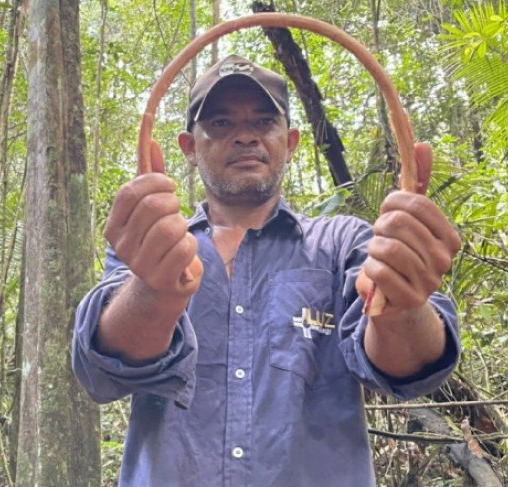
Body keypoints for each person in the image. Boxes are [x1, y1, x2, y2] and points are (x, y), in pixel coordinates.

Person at [73, 54, 462, 486]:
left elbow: (410, 367)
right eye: (220, 124)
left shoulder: (343, 243)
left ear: (291, 142)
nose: (244, 136)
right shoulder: (151, 245)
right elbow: (102, 371)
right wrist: (154, 291)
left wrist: (402, 302)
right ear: (188, 148)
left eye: (263, 122)